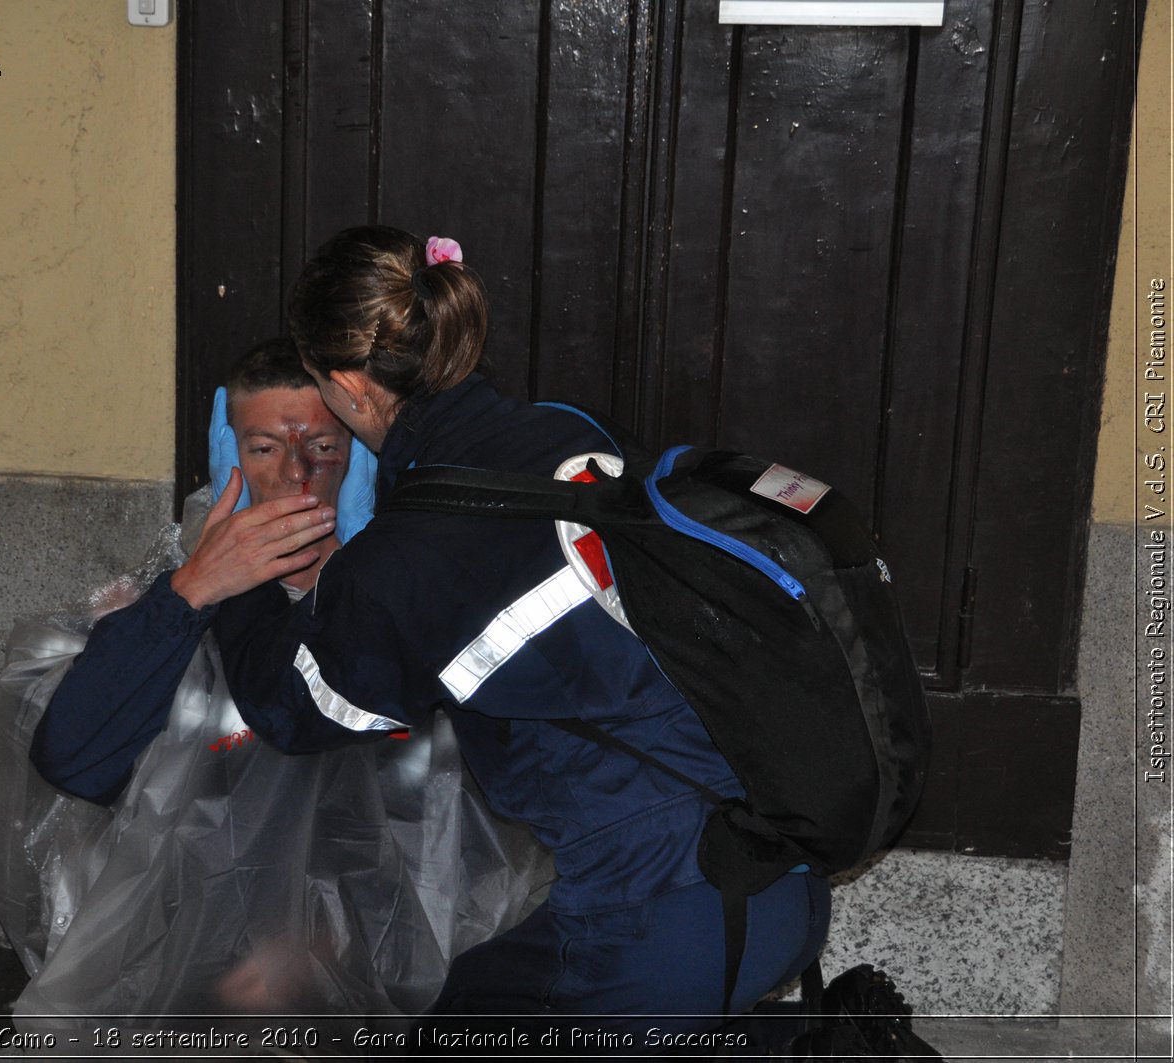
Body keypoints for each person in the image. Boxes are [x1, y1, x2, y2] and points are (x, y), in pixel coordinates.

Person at [210, 229, 832, 1043]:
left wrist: (230, 581)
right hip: (780, 864)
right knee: (465, 1008)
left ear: (353, 389)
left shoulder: (408, 556)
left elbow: (292, 707)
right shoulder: (570, 433)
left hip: (657, 916)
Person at [0, 338, 552, 1030]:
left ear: (363, 460)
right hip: (195, 947)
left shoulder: (407, 590)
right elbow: (71, 760)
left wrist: (322, 942)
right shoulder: (172, 602)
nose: (295, 476)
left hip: (382, 951)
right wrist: (192, 591)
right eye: (262, 449)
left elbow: (467, 822)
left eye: (324, 448)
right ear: (229, 455)